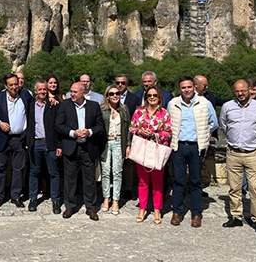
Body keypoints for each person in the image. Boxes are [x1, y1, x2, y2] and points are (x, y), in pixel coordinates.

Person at [219, 79, 256, 234]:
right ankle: (236, 217)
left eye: (243, 90)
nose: (240, 94)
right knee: (234, 187)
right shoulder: (227, 107)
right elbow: (223, 125)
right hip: (234, 152)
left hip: (253, 153)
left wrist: (253, 140)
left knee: (255, 188)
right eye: (237, 91)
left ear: (250, 90)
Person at [167, 76, 218, 228]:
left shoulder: (204, 103)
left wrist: (203, 134)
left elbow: (213, 122)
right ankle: (177, 211)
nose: (187, 90)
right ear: (179, 89)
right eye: (183, 87)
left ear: (194, 87)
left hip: (197, 146)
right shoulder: (173, 103)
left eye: (189, 87)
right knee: (178, 180)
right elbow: (169, 122)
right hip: (179, 146)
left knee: (196, 181)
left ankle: (196, 213)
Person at [55, 81, 105, 221]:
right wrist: (73, 133)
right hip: (71, 146)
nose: (72, 94)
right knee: (70, 179)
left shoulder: (93, 106)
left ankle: (91, 208)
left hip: (88, 147)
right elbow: (59, 125)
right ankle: (70, 207)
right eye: (71, 91)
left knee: (89, 179)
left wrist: (89, 132)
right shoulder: (65, 105)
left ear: (83, 93)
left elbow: (100, 126)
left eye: (75, 92)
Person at [129, 86, 172, 224]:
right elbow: (131, 127)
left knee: (158, 182)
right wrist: (140, 131)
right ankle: (142, 208)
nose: (152, 98)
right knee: (143, 182)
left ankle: (157, 209)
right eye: (149, 95)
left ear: (159, 97)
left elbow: (168, 132)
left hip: (157, 149)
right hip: (142, 149)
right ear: (146, 97)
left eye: (154, 95)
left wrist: (155, 134)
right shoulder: (139, 111)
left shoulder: (164, 113)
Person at [0, 73, 32, 208]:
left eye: (16, 84)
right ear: (6, 86)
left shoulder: (25, 96)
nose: (14, 87)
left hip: (19, 139)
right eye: (11, 85)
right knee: (0, 169)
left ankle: (15, 196)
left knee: (18, 169)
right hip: (2, 138)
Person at [26, 79, 62, 214]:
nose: (42, 91)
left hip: (50, 143)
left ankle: (56, 200)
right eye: (40, 89)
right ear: (36, 90)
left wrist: (59, 144)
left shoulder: (54, 105)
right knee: (34, 172)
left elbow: (58, 127)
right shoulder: (30, 105)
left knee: (54, 173)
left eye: (44, 89)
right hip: (35, 143)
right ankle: (33, 198)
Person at [100, 84, 131, 216]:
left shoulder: (124, 109)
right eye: (111, 94)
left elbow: (129, 128)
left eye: (117, 94)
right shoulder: (102, 110)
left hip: (119, 142)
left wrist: (128, 145)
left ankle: (116, 200)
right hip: (106, 143)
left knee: (117, 172)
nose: (114, 96)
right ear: (107, 96)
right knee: (106, 172)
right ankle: (106, 198)